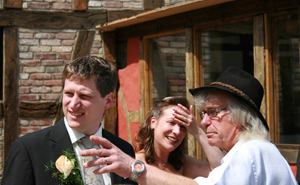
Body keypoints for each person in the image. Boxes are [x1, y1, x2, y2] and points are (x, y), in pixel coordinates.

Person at [80, 66, 298, 185]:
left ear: (240, 117)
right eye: (203, 114)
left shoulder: (251, 152)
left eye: (212, 112)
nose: (203, 122)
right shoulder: (253, 151)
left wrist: (134, 169)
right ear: (153, 123)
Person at [2, 55, 136, 185]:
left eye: (84, 96)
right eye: (69, 94)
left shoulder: (123, 150)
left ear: (108, 101)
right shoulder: (29, 149)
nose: (73, 104)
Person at [134, 96, 223, 178]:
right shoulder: (137, 163)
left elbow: (222, 170)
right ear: (153, 122)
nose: (177, 131)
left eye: (183, 127)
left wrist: (197, 131)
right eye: (171, 122)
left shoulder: (181, 163)